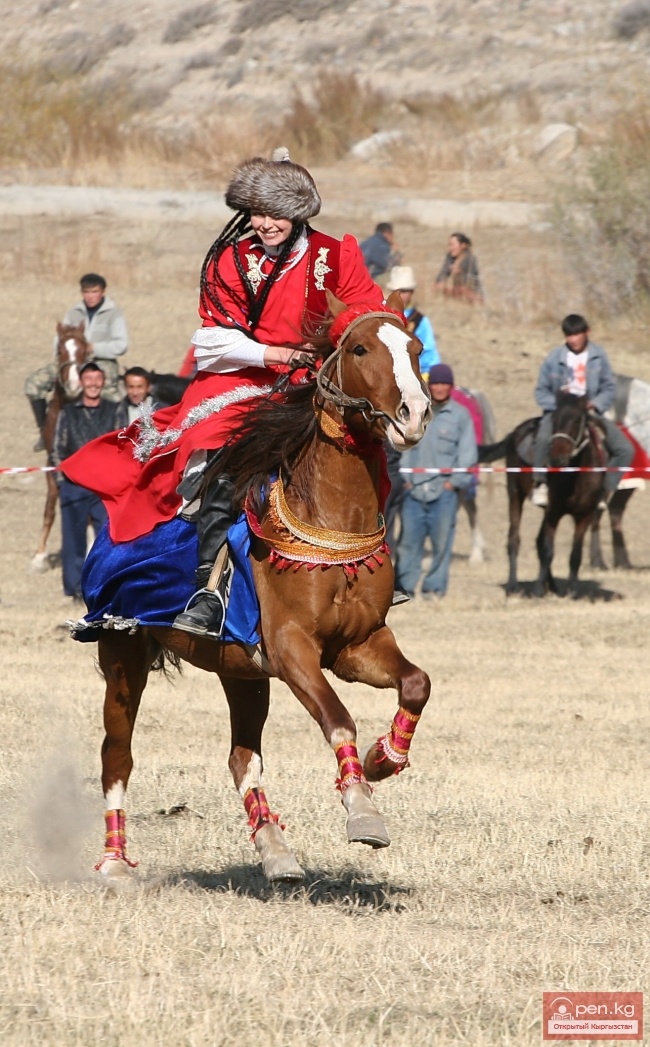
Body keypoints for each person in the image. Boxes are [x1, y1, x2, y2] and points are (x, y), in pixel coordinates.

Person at [61, 147, 385, 637]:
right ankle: (207, 590)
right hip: (245, 379)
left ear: (298, 213)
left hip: (316, 383)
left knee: (367, 448)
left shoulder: (338, 255)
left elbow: (366, 317)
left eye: (275, 212)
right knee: (219, 450)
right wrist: (275, 355)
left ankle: (370, 565)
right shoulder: (230, 261)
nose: (265, 223)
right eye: (256, 213)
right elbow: (213, 339)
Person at [532, 314, 634, 508]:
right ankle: (540, 483)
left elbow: (609, 387)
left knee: (625, 449)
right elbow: (540, 391)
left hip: (589, 412)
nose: (573, 339)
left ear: (586, 333)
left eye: (577, 334)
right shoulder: (554, 358)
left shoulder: (599, 355)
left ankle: (605, 489)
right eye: (568, 335)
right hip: (560, 413)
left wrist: (594, 403)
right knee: (543, 439)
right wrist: (561, 406)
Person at [397, 363, 477, 598]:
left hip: (444, 493)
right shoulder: (417, 411)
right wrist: (408, 480)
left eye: (444, 383)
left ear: (451, 387)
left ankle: (434, 589)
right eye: (436, 383)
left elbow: (468, 454)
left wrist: (453, 483)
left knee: (442, 544)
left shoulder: (461, 416)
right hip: (414, 490)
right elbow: (405, 446)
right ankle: (406, 589)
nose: (440, 388)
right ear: (429, 385)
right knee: (409, 543)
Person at [26, 273, 128, 448]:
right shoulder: (74, 312)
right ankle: (44, 431)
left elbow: (121, 344)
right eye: (86, 292)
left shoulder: (113, 313)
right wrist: (64, 360)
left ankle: (117, 434)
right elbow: (59, 340)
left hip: (101, 361)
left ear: (102, 291)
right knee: (33, 384)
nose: (90, 296)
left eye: (94, 291)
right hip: (71, 360)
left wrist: (93, 348)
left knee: (112, 393)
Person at [51, 363, 118, 600]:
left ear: (103, 381)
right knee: (72, 541)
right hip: (73, 487)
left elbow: (121, 447)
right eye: (88, 379)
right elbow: (57, 450)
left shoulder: (114, 410)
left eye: (97, 379)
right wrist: (62, 483)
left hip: (105, 489)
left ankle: (104, 588)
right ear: (81, 382)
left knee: (108, 540)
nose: (93, 384)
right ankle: (74, 590)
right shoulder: (68, 413)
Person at [385, 266, 439, 380]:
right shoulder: (382, 315)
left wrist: (424, 378)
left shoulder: (420, 320)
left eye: (404, 291)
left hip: (411, 376)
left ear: (412, 292)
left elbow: (429, 353)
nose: (400, 295)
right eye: (397, 291)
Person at [434, 233, 483, 303]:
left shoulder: (470, 259)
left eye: (452, 245)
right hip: (456, 291)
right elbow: (442, 273)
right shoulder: (450, 258)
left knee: (463, 290)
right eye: (449, 245)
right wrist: (440, 283)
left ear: (463, 245)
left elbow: (471, 281)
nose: (450, 248)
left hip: (472, 293)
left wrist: (460, 273)